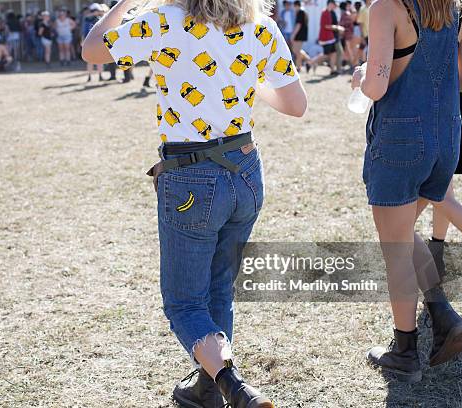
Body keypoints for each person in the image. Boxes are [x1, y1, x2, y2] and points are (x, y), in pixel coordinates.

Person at [83, 0, 307, 405]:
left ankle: (231, 385)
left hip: (191, 174)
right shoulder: (262, 25)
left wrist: (123, 4)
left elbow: (92, 49)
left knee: (185, 302)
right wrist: (247, 80)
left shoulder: (165, 20)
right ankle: (208, 388)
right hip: (245, 168)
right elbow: (296, 105)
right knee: (219, 288)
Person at [351, 0, 462, 383]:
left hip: (402, 138)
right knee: (403, 233)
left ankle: (404, 351)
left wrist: (361, 75)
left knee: (395, 250)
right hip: (445, 139)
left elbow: (375, 86)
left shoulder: (387, 7)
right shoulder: (461, 11)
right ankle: (443, 316)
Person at [427, 0, 462, 274]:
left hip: (456, 77)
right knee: (442, 179)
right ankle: (436, 248)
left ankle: (439, 249)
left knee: (440, 179)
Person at [310, 0, 341, 75]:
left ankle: (332, 70)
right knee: (326, 54)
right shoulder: (325, 12)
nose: (335, 6)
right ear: (330, 4)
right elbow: (326, 26)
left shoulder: (329, 12)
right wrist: (337, 27)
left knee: (333, 53)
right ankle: (311, 62)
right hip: (325, 38)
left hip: (330, 37)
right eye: (334, 4)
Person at [82, 3, 104, 81]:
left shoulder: (99, 19)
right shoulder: (88, 19)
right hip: (92, 42)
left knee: (99, 59)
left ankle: (99, 75)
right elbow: (84, 31)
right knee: (90, 60)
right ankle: (90, 76)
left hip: (96, 42)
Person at [291, 0, 311, 70]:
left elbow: (298, 25)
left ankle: (299, 66)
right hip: (301, 34)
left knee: (297, 51)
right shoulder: (303, 12)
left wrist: (293, 34)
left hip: (299, 34)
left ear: (296, 6)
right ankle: (308, 60)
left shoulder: (300, 12)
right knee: (296, 50)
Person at [338, 2, 356, 70]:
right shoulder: (346, 13)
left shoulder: (345, 14)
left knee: (349, 50)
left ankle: (353, 64)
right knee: (348, 50)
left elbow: (343, 24)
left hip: (347, 35)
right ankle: (351, 63)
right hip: (348, 34)